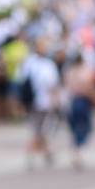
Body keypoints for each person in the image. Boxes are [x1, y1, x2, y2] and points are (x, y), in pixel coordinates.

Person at [19, 37, 60, 169]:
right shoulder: (43, 65)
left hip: (39, 102)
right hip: (40, 102)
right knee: (40, 130)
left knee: (42, 130)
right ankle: (32, 155)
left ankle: (47, 153)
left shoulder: (32, 63)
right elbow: (51, 86)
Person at [64, 56, 95, 170]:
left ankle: (76, 147)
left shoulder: (69, 72)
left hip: (72, 101)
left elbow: (66, 86)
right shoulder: (84, 72)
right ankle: (79, 148)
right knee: (85, 126)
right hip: (82, 101)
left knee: (75, 126)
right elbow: (88, 87)